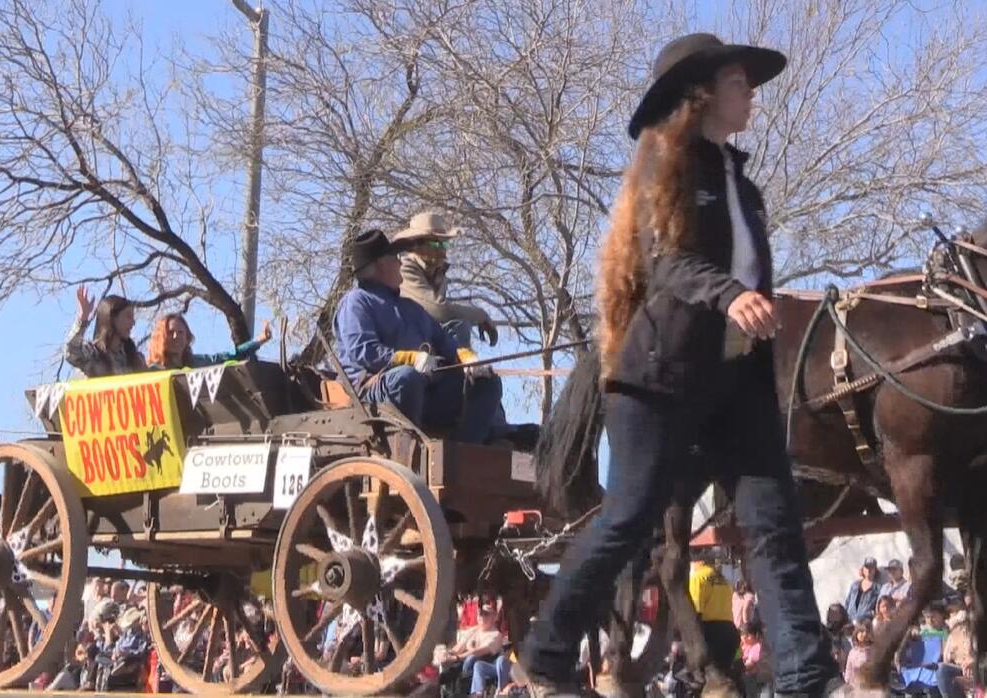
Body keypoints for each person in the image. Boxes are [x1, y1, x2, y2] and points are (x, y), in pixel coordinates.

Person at [520, 33, 839, 697]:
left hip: (736, 383)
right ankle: (547, 655)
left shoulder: (741, 186)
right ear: (699, 95)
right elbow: (668, 261)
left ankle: (806, 678)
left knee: (775, 523)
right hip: (658, 376)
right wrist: (733, 296)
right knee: (629, 517)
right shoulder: (667, 164)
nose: (750, 93)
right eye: (736, 81)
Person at [333, 229, 503, 444]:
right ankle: (408, 448)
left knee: (487, 383)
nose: (400, 262)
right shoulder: (356, 302)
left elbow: (446, 342)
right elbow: (363, 351)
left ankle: (462, 452)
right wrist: (412, 359)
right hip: (373, 394)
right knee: (407, 377)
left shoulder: (411, 308)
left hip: (426, 391)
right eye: (395, 258)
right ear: (381, 265)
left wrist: (469, 360)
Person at [393, 211, 498, 347]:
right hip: (405, 344)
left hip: (429, 337)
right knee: (458, 324)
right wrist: (481, 316)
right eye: (436, 245)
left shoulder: (439, 273)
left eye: (445, 244)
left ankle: (463, 364)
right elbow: (439, 310)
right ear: (416, 246)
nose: (443, 250)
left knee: (460, 326)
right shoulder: (405, 268)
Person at [65, 286, 147, 377]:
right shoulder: (93, 354)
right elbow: (70, 352)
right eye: (128, 316)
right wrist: (83, 319)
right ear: (112, 318)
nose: (133, 322)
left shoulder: (135, 358)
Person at [147, 313, 273, 369]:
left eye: (181, 332)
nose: (176, 337)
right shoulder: (152, 371)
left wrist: (258, 341)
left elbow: (226, 357)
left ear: (187, 338)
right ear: (161, 338)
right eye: (170, 333)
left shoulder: (197, 363)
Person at [688, 556, 738, 672]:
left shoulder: (698, 577)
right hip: (729, 630)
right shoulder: (724, 580)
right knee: (725, 673)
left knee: (708, 676)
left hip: (710, 632)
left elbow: (695, 611)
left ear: (697, 562)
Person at [935, 597, 974, 698]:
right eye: (950, 613)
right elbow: (946, 658)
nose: (951, 616)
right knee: (942, 669)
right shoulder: (950, 634)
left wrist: (973, 659)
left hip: (978, 667)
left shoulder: (973, 625)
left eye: (954, 612)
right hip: (961, 669)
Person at [844, 558, 880, 624]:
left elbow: (877, 609)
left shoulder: (877, 588)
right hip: (849, 621)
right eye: (867, 567)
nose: (869, 570)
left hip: (864, 624)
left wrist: (867, 616)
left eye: (872, 568)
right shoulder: (855, 585)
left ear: (875, 570)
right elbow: (847, 602)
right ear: (863, 569)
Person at [842, 624, 872, 689]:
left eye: (866, 632)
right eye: (861, 632)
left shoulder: (872, 651)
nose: (864, 634)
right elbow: (849, 669)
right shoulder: (852, 652)